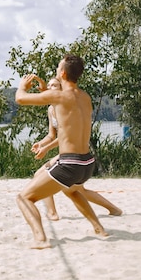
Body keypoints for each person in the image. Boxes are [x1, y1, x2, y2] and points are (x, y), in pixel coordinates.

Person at [15, 54, 108, 249]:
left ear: (63, 73)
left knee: (24, 197)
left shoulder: (60, 96)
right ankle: (99, 229)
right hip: (87, 163)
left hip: (70, 163)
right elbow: (65, 119)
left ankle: (40, 239)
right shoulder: (85, 97)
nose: (57, 71)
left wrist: (23, 85)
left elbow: (20, 99)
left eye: (58, 68)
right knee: (72, 190)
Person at [31, 77, 122, 221]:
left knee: (40, 175)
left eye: (54, 85)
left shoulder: (65, 107)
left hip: (75, 155)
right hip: (69, 155)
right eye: (49, 85)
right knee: (77, 190)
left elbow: (65, 135)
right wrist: (41, 144)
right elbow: (51, 135)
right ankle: (114, 209)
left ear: (61, 89)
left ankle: (52, 213)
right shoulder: (51, 109)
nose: (50, 87)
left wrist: (47, 149)